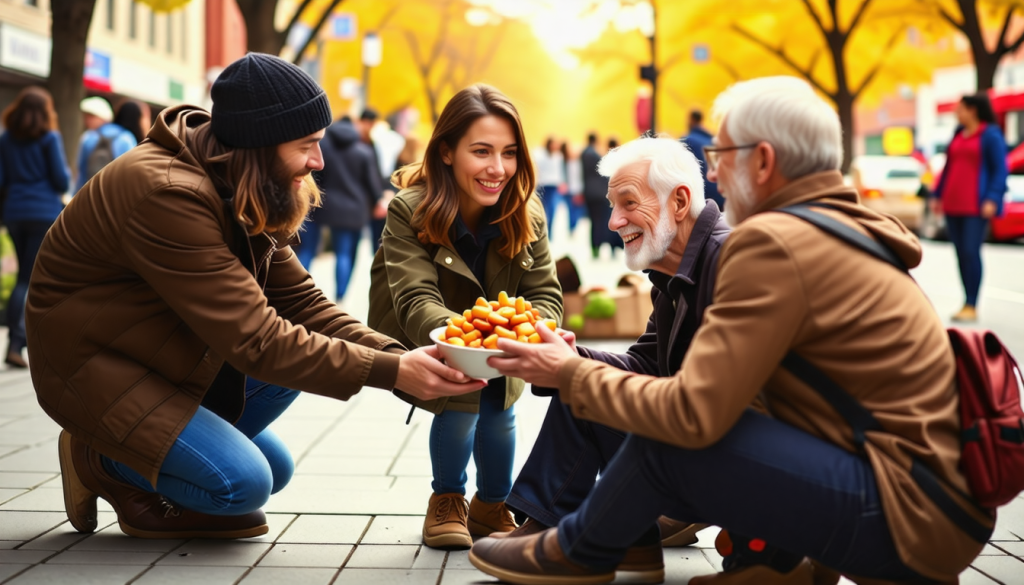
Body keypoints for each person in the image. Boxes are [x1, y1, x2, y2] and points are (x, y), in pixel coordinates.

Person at [470, 76, 989, 585]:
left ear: (763, 160)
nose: (713, 171)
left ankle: (582, 549)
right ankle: (750, 563)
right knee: (607, 392)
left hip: (907, 515)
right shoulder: (827, 228)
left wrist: (573, 375)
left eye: (721, 155)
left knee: (667, 433)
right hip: (929, 507)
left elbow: (698, 416)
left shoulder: (773, 243)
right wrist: (570, 368)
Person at [27, 53, 483, 541]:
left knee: (276, 464)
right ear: (260, 143)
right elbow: (257, 340)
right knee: (240, 485)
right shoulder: (167, 194)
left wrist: (404, 360)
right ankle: (100, 458)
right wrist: (393, 373)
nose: (318, 162)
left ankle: (144, 452)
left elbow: (304, 305)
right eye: (306, 145)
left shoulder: (236, 179)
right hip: (93, 366)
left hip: (159, 353)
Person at [495, 135, 728, 584]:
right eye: (612, 204)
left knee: (582, 380)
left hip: (730, 461)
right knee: (578, 375)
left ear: (679, 202)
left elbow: (717, 402)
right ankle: (595, 534)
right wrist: (567, 358)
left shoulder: (727, 265)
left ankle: (570, 533)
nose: (614, 220)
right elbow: (645, 364)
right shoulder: (676, 271)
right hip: (694, 444)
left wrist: (574, 370)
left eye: (628, 203)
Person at [367, 84, 563, 550]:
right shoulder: (408, 210)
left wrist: (532, 333)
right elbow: (415, 297)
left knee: (501, 410)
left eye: (509, 153)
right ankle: (447, 498)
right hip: (437, 336)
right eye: (481, 151)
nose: (498, 168)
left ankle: (493, 504)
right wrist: (466, 340)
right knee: (461, 406)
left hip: (501, 342)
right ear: (447, 152)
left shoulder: (527, 211)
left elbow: (545, 294)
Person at [0, 86, 70, 369]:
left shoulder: (6, 139)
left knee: (22, 278)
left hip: (15, 212)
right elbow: (61, 181)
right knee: (32, 279)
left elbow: (1, 181)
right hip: (44, 213)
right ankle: (18, 343)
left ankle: (20, 340)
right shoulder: (50, 138)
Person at [930, 93, 1008, 323]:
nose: (957, 112)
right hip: (953, 204)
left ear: (973, 110)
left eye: (960, 108)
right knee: (960, 254)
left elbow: (1000, 169)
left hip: (976, 205)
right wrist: (937, 194)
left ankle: (971, 303)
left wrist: (993, 197)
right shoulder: (957, 134)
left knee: (970, 252)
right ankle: (966, 300)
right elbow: (947, 167)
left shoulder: (990, 135)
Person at [295, 116, 381, 303]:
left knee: (307, 249)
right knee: (344, 254)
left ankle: (296, 289)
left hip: (321, 206)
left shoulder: (323, 149)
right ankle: (340, 296)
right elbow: (372, 184)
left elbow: (315, 178)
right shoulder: (363, 151)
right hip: (353, 210)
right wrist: (378, 202)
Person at [76, 96, 137, 192]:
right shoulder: (126, 137)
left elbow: (81, 172)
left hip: (90, 195)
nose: (86, 121)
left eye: (90, 117)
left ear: (101, 117)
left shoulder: (88, 137)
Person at [581, 132, 615, 258]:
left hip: (589, 193)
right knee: (600, 222)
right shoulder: (594, 155)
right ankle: (599, 245)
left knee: (594, 222)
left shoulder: (584, 153)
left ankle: (595, 246)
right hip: (599, 194)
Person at [681, 109, 724, 210]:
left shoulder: (688, 140)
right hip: (722, 194)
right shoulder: (712, 140)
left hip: (704, 198)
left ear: (691, 119)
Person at [534, 137, 566, 239]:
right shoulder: (540, 155)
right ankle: (540, 231)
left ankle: (550, 232)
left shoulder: (558, 156)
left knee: (552, 209)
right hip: (543, 185)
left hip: (553, 186)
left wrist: (562, 183)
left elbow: (560, 171)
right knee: (542, 210)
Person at [561, 141, 585, 235]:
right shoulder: (566, 162)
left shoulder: (579, 163)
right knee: (571, 210)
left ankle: (574, 227)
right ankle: (572, 228)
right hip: (569, 190)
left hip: (577, 189)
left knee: (577, 210)